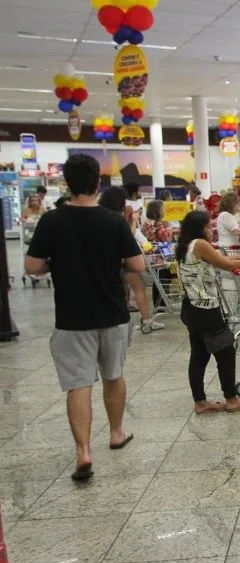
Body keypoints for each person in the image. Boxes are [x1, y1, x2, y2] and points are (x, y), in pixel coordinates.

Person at [24, 154, 144, 482]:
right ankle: (117, 432)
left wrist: (55, 264)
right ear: (97, 184)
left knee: (78, 385)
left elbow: (32, 267)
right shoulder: (114, 221)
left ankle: (84, 452)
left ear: (67, 184)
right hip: (113, 314)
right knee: (113, 375)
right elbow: (138, 266)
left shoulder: (52, 221)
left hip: (72, 317)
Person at [177, 211, 240, 414]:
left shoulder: (187, 245)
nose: (212, 229)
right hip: (206, 310)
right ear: (199, 229)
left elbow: (220, 258)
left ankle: (201, 403)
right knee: (225, 353)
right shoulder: (200, 244)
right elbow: (227, 265)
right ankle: (231, 400)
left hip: (192, 307)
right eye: (208, 226)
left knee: (199, 356)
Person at [99, 187, 162, 333]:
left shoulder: (100, 217)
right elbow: (129, 233)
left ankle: (123, 320)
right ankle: (146, 321)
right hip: (126, 260)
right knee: (139, 288)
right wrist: (133, 221)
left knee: (121, 291)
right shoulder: (121, 216)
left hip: (109, 262)